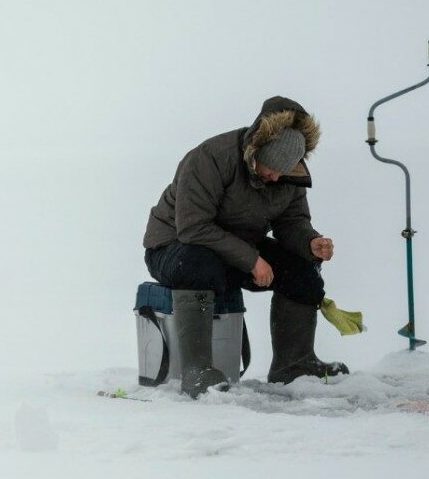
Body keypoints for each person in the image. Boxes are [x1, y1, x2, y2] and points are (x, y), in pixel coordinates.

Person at [142, 95, 349, 397]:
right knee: (200, 264)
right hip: (173, 247)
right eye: (270, 168)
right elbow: (193, 228)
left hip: (235, 250)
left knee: (302, 270)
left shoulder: (288, 175)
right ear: (256, 150)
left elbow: (292, 221)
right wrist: (251, 259)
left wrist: (310, 241)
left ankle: (294, 366)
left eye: (283, 172)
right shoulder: (211, 157)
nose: (275, 177)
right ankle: (197, 373)